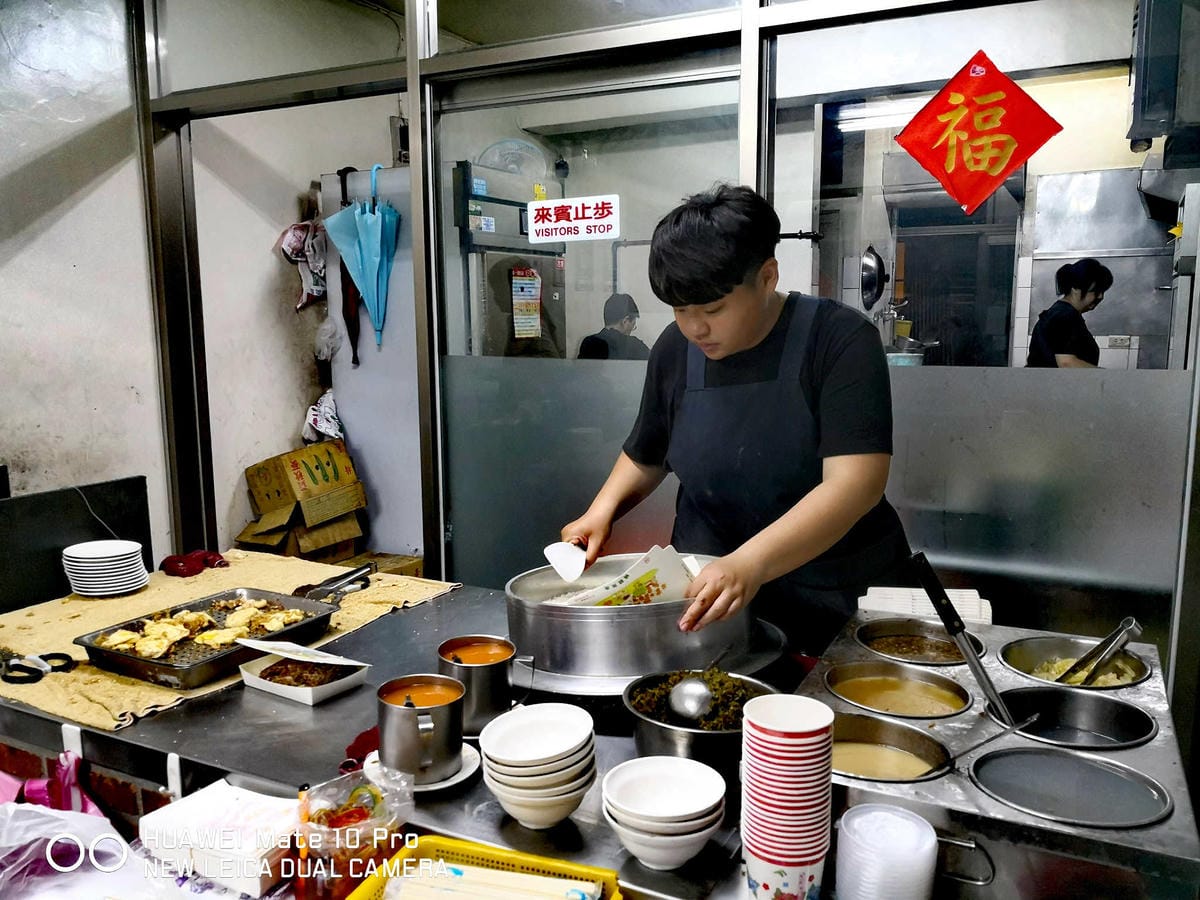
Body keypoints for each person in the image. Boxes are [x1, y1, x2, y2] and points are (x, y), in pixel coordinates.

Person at [561, 184, 912, 657]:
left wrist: (749, 563)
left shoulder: (840, 340)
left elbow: (856, 484)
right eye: (680, 310)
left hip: (834, 599)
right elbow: (648, 450)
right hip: (710, 594)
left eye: (712, 309)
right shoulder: (675, 348)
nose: (694, 327)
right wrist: (601, 511)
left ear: (767, 277)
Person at [1026, 258, 1113, 368]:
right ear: (1075, 288)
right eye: (1095, 290)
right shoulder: (1065, 316)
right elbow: (1066, 363)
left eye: (1103, 291)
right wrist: (1107, 377)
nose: (1100, 296)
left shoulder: (1059, 313)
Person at [577, 293, 651, 360]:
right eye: (633, 325)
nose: (631, 330)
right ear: (625, 321)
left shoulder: (588, 343)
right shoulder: (635, 346)